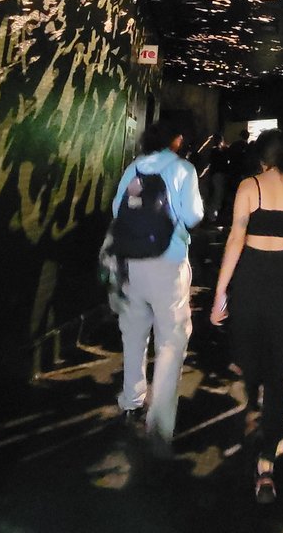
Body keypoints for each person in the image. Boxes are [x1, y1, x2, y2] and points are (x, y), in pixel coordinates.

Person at [210, 129, 283, 504]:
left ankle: (254, 408)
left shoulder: (248, 186)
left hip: (252, 277)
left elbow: (236, 239)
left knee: (249, 354)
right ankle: (267, 463)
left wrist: (220, 291)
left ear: (261, 158)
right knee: (277, 369)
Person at [111, 119, 204, 456]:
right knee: (171, 340)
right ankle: (159, 421)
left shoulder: (133, 167)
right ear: (175, 140)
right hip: (169, 261)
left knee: (133, 332)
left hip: (131, 262)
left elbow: (115, 209)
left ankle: (131, 400)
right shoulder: (183, 169)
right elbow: (194, 215)